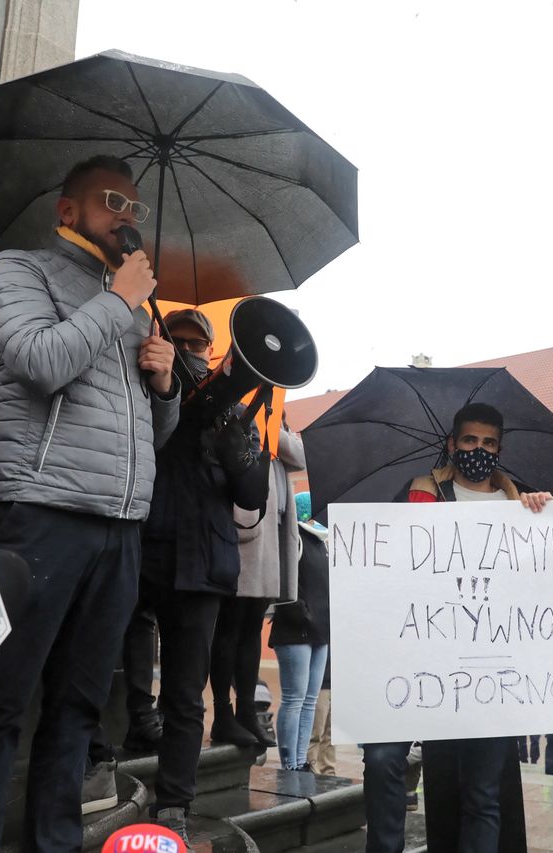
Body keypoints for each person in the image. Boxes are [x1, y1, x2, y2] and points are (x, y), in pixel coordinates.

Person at [0, 155, 181, 853]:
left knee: (79, 707)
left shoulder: (130, 304)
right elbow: (40, 360)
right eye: (112, 202)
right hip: (40, 513)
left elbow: (151, 434)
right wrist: (118, 302)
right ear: (67, 211)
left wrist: (164, 386)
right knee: (1, 701)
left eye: (135, 207)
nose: (128, 217)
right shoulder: (19, 271)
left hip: (120, 525)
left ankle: (56, 841)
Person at [362, 401, 550, 853]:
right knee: (383, 758)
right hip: (413, 655)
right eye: (469, 441)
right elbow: (377, 560)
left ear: (499, 449)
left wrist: (543, 514)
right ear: (452, 444)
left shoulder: (520, 504)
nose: (478, 450)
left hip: (488, 666)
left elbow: (547, 577)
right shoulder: (417, 495)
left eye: (488, 443)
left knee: (483, 793)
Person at [120, 307, 269, 842]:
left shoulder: (235, 416)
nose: (189, 349)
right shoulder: (142, 394)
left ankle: (174, 802)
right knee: (118, 656)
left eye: (197, 343)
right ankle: (122, 734)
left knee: (185, 695)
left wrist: (237, 458)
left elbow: (254, 498)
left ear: (211, 352)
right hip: (141, 551)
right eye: (177, 340)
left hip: (203, 566)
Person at [210, 418, 304, 748]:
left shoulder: (275, 415)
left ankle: (246, 710)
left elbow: (300, 457)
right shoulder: (240, 409)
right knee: (229, 627)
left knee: (251, 628)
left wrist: (272, 422)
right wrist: (261, 420)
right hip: (244, 530)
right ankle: (223, 712)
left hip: (272, 535)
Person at [267, 491, 331, 771]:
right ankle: (289, 763)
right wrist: (301, 613)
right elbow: (282, 582)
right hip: (296, 631)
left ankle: (301, 760)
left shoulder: (322, 542)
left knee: (310, 700)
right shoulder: (292, 540)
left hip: (320, 631)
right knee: (294, 699)